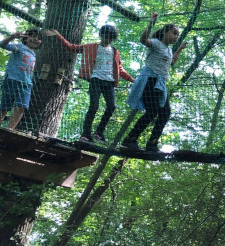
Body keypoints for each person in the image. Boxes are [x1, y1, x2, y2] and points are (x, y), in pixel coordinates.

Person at [44, 25, 134, 143]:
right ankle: (86, 134)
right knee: (94, 106)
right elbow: (72, 47)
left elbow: (120, 69)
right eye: (106, 37)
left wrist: (133, 80)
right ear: (101, 35)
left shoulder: (115, 51)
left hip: (109, 82)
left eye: (110, 38)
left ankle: (99, 132)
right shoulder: (91, 47)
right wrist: (58, 35)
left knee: (112, 106)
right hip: (95, 79)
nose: (107, 40)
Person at [121, 13, 186, 152]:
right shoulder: (156, 44)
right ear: (165, 32)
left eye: (178, 35)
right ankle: (130, 140)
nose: (176, 37)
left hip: (160, 85)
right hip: (150, 81)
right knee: (152, 112)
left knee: (165, 112)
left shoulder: (168, 50)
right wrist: (152, 22)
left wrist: (179, 49)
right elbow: (143, 39)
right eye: (174, 33)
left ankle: (152, 143)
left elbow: (172, 62)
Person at [0, 28, 42, 130]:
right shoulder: (19, 47)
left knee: (21, 107)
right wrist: (12, 36)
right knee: (5, 106)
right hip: (12, 80)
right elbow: (2, 45)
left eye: (39, 38)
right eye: (32, 36)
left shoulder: (35, 54)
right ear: (25, 38)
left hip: (26, 84)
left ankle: (10, 129)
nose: (35, 39)